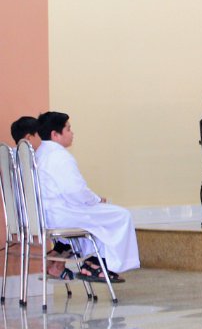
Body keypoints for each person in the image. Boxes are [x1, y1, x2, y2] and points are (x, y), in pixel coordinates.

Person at [35, 111, 139, 282]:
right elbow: (75, 191)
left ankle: (82, 260)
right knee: (121, 216)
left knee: (97, 219)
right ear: (55, 134)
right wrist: (96, 200)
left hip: (45, 216)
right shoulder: (59, 156)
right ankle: (97, 264)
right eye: (68, 129)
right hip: (62, 216)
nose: (72, 133)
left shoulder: (39, 154)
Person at [9, 115, 75, 280]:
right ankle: (65, 263)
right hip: (42, 220)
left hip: (20, 221)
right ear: (29, 138)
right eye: (40, 135)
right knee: (83, 221)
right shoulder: (36, 160)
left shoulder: (11, 158)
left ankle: (56, 259)